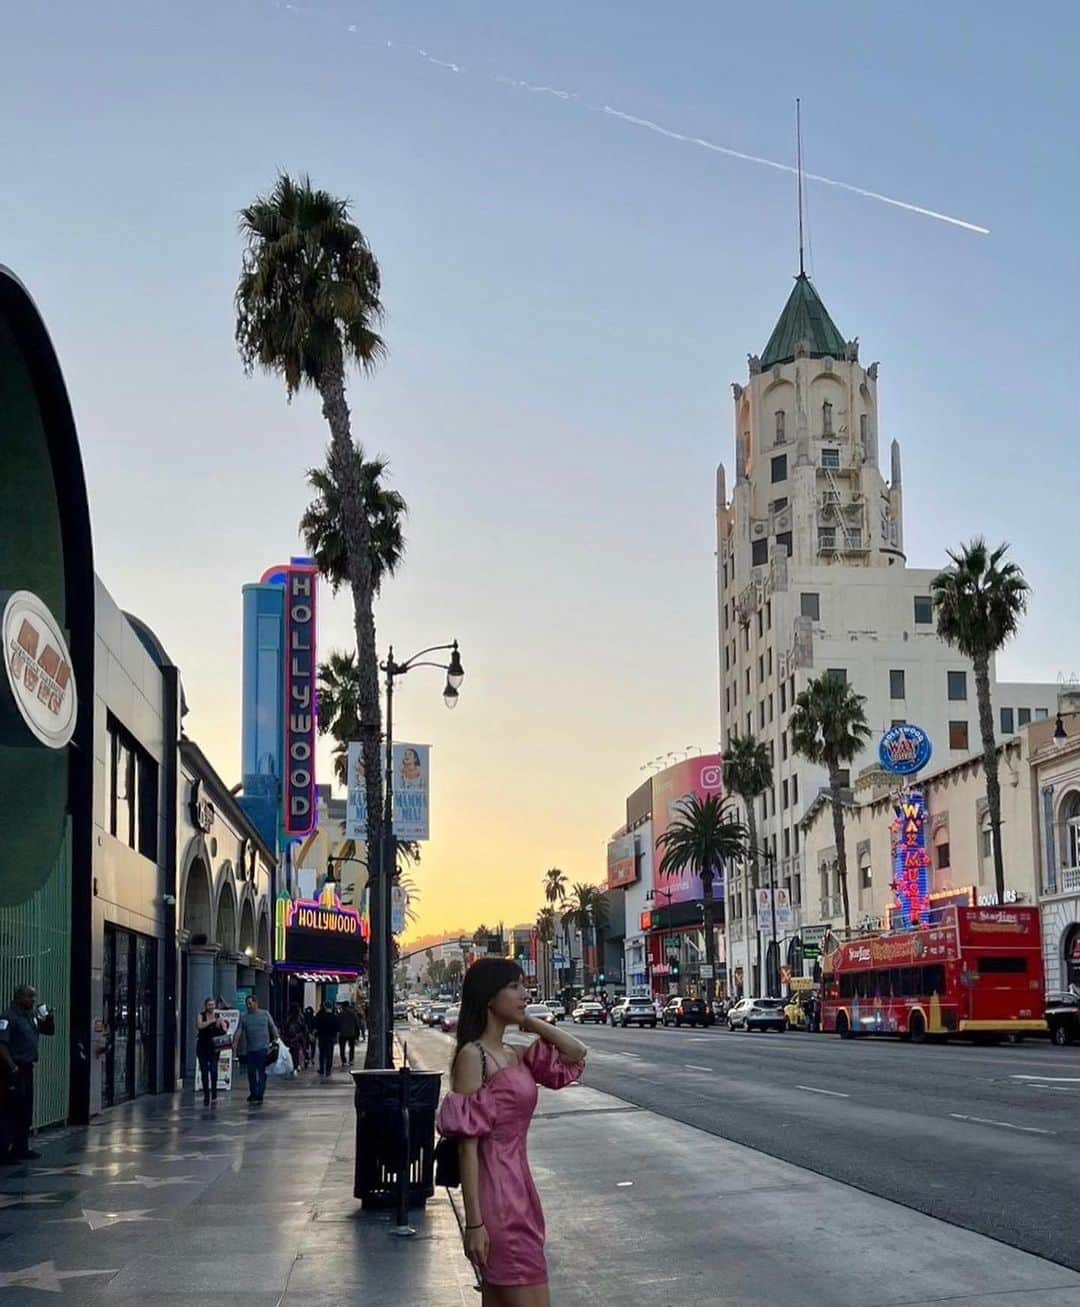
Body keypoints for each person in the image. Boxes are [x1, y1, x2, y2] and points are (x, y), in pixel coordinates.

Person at [436, 957, 587, 1305]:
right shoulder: (474, 1057)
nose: (524, 993)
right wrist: (474, 1224)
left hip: (521, 1190)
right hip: (498, 1201)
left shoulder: (513, 1054)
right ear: (489, 997)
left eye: (523, 986)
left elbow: (575, 1055)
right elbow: (467, 1148)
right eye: (514, 986)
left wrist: (531, 1022)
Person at [0, 984, 55, 1163]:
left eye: (34, 997)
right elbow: (2, 1044)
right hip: (13, 1069)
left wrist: (48, 1019)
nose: (33, 1000)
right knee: (10, 1110)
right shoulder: (9, 1017)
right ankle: (4, 1151)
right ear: (19, 998)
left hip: (27, 1068)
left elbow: (48, 1031)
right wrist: (12, 1067)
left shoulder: (31, 1016)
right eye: (29, 997)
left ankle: (21, 1147)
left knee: (24, 1109)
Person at [234, 995, 279, 1104]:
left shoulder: (265, 1014)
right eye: (247, 1004)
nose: (248, 1006)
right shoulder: (244, 1017)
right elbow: (239, 1030)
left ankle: (260, 1093)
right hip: (250, 1050)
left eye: (250, 1003)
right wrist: (235, 1043)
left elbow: (272, 1026)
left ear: (256, 1003)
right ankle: (253, 1092)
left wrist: (277, 1039)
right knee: (251, 1073)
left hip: (263, 1049)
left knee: (262, 1072)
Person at [195, 998, 226, 1107]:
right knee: (204, 1071)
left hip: (214, 1047)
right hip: (202, 1046)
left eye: (213, 1005)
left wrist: (221, 1023)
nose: (211, 1007)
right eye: (209, 1005)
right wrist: (211, 1021)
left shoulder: (218, 1016)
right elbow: (199, 1026)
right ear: (205, 1006)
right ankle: (206, 1095)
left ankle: (214, 1092)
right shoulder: (201, 1015)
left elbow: (224, 1029)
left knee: (213, 1070)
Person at [314, 1000, 339, 1077]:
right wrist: (336, 1037)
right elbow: (337, 1028)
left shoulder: (320, 1016)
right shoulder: (334, 1017)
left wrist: (315, 1035)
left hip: (322, 1037)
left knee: (322, 1054)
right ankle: (328, 1070)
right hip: (330, 1037)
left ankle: (322, 1069)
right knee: (329, 1054)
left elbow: (316, 1026)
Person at [283, 1004, 307, 1072]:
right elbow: (304, 1029)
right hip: (298, 1038)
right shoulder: (300, 1018)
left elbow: (285, 1028)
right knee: (297, 1053)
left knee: (291, 1053)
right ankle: (297, 1065)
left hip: (290, 1039)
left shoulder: (288, 1018)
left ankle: (293, 1066)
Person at [337, 1001, 359, 1067]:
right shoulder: (353, 1013)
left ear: (343, 1006)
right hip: (351, 1033)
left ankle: (343, 1061)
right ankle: (351, 1060)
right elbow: (356, 1024)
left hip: (342, 1033)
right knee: (352, 1047)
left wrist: (338, 1031)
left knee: (342, 1048)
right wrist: (357, 1034)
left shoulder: (341, 1014)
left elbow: (338, 1023)